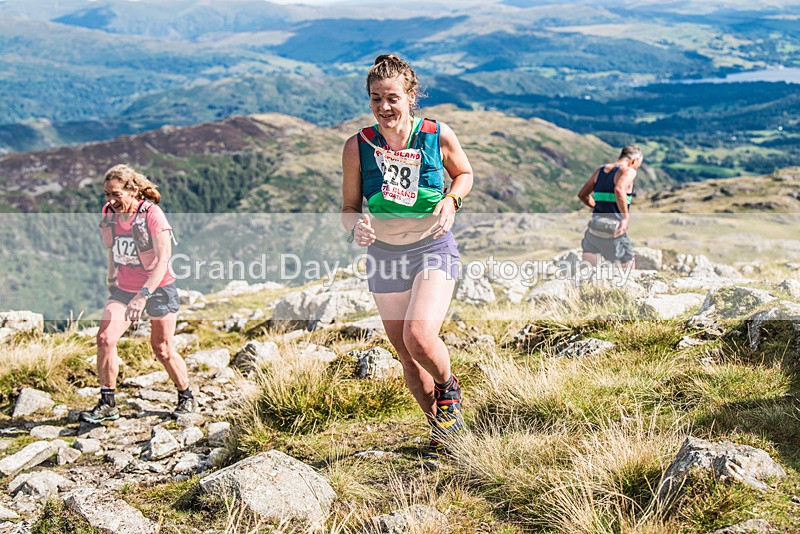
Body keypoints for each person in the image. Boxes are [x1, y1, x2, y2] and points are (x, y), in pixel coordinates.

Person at [341, 54, 474, 458]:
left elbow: (464, 174)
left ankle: (449, 387)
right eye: (376, 98)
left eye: (393, 97)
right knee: (405, 353)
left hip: (432, 247)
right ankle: (443, 432)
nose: (384, 107)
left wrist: (452, 200)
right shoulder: (358, 146)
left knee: (419, 337)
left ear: (411, 97)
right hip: (384, 254)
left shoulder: (436, 134)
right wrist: (355, 227)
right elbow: (348, 208)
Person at [82, 164, 196, 423]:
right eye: (107, 195)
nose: (110, 200)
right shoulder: (109, 213)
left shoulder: (152, 214)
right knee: (105, 339)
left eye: (116, 194)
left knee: (162, 348)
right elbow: (111, 248)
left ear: (132, 191)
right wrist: (111, 276)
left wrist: (142, 296)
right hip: (124, 287)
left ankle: (186, 395)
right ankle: (108, 402)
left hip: (158, 287)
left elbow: (164, 258)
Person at [577, 145, 644, 269]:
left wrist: (597, 207)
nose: (636, 168)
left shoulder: (600, 171)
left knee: (586, 272)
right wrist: (624, 218)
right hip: (614, 229)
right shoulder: (628, 171)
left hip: (594, 228)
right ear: (633, 161)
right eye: (638, 165)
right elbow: (619, 189)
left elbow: (582, 195)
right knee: (628, 270)